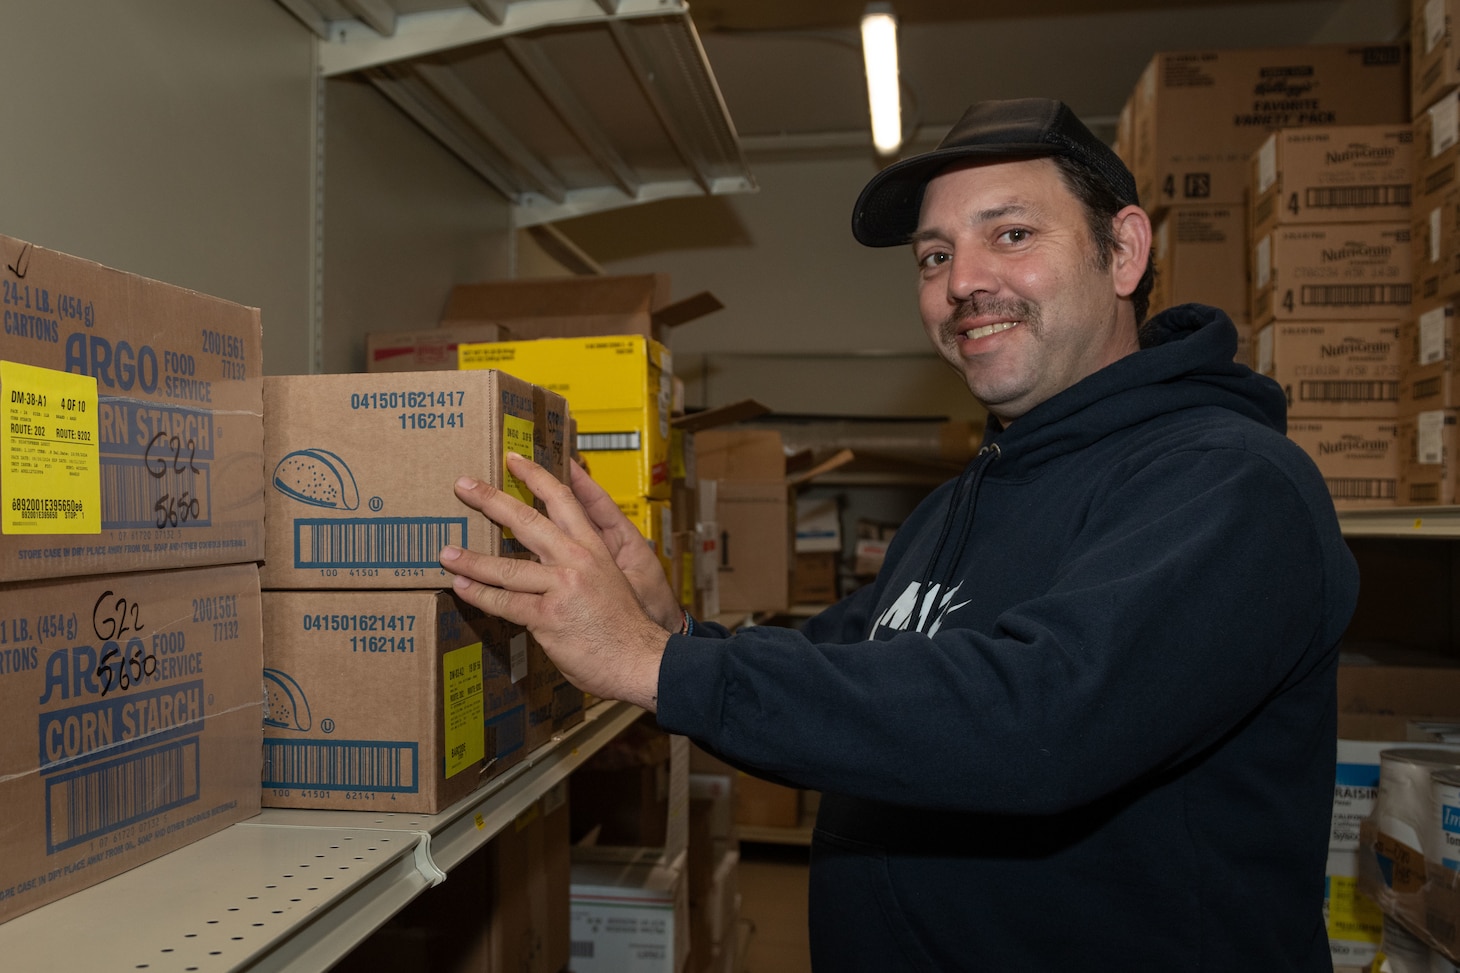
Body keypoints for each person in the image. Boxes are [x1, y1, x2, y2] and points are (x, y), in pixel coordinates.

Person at [439, 98, 1360, 970]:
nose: (963, 282)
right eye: (932, 256)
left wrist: (650, 662)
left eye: (1012, 234)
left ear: (1122, 251)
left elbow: (1039, 721)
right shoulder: (960, 504)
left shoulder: (1229, 483)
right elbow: (849, 670)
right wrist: (672, 629)